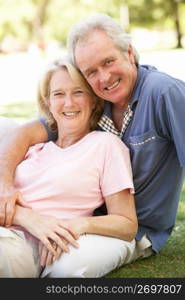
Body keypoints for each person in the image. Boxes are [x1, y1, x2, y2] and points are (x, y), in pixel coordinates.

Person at [0, 12, 185, 266]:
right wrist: (5, 186)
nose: (104, 78)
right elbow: (25, 132)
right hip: (86, 217)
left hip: (133, 229)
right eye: (91, 72)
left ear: (129, 53)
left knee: (66, 267)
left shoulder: (163, 92)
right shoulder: (97, 102)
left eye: (108, 62)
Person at [0, 57, 137, 278]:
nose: (69, 103)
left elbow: (127, 224)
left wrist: (78, 224)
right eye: (58, 94)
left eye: (78, 92)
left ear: (93, 100)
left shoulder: (105, 146)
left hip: (23, 246)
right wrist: (27, 218)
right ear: (48, 103)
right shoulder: (35, 148)